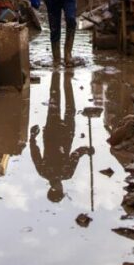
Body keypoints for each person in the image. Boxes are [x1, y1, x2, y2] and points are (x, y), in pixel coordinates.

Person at [30, 71, 93, 202]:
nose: (60, 187)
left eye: (60, 190)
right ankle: (61, 76)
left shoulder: (63, 173)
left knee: (63, 104)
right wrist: (86, 150)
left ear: (58, 189)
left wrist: (86, 150)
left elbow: (75, 155)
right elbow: (75, 155)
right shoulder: (48, 172)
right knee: (57, 102)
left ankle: (62, 77)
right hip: (57, 134)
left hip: (60, 134)